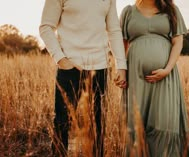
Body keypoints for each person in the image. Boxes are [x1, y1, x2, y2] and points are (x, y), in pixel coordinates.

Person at [39, 0, 127, 156]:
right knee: (62, 123)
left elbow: (113, 30)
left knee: (97, 126)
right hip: (70, 68)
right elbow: (46, 27)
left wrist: (121, 64)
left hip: (100, 68)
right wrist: (61, 59)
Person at [120, 0, 189, 156]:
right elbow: (122, 43)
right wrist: (121, 70)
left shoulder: (171, 10)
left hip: (165, 77)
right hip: (135, 77)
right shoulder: (128, 12)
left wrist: (167, 69)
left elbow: (178, 42)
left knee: (164, 122)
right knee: (137, 123)